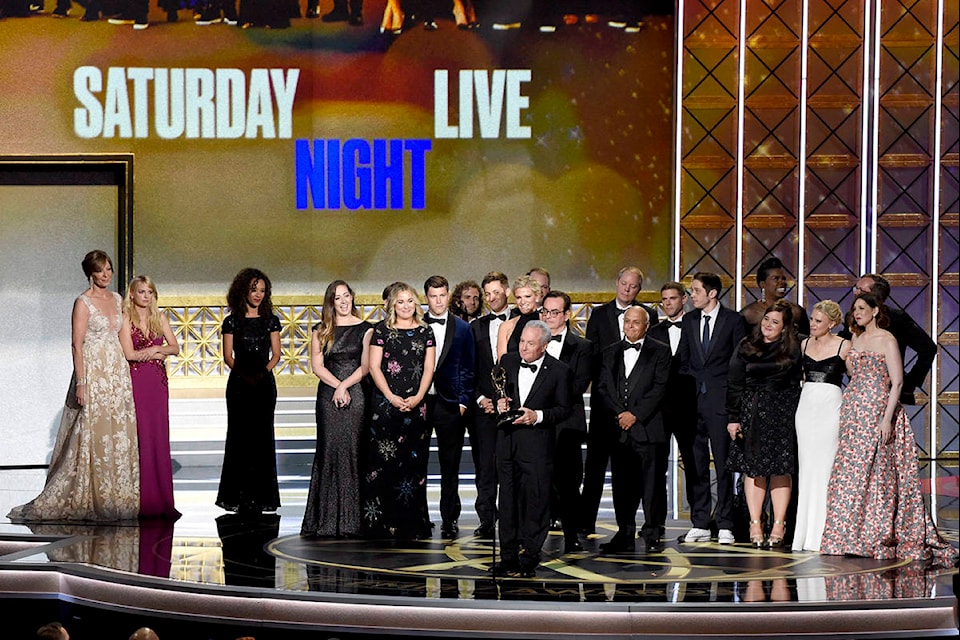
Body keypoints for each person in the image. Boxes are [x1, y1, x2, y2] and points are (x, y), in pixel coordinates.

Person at [820, 293, 957, 566]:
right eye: (854, 309)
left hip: (879, 410)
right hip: (854, 412)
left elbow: (896, 382)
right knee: (850, 474)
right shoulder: (854, 340)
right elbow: (852, 373)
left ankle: (877, 534)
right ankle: (847, 536)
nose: (856, 313)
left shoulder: (887, 339)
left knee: (878, 474)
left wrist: (886, 419)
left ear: (874, 310)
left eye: (861, 308)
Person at [8, 250, 140, 523]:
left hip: (116, 374)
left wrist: (156, 352)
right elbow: (76, 344)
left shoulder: (117, 300)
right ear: (90, 273)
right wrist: (81, 383)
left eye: (109, 269)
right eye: (101, 270)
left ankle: (117, 496)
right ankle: (90, 495)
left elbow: (127, 345)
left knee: (116, 432)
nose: (106, 275)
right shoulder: (83, 302)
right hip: (92, 372)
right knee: (92, 431)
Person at [580, 266, 659, 533]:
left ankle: (633, 526)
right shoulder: (600, 315)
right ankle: (585, 522)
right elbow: (592, 359)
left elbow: (653, 364)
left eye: (633, 286)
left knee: (632, 472)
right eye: (624, 283)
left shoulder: (650, 316)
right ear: (616, 283)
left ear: (639, 288)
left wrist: (634, 410)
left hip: (637, 411)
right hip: (605, 407)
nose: (627, 289)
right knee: (594, 468)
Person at [492, 321, 574, 577]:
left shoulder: (560, 371)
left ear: (544, 346)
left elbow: (564, 409)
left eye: (530, 343)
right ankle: (507, 557)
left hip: (538, 446)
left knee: (536, 502)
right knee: (506, 502)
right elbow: (496, 392)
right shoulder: (507, 361)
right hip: (507, 444)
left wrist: (536, 415)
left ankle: (529, 556)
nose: (524, 348)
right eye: (522, 342)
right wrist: (499, 404)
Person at [726, 300, 802, 548]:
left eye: (775, 322)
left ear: (785, 328)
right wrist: (733, 417)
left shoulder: (795, 346)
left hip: (784, 411)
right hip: (753, 410)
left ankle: (779, 524)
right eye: (766, 319)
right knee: (755, 469)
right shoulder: (747, 344)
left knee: (781, 468)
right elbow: (735, 381)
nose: (768, 325)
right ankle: (755, 522)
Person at [362, 282, 436, 539]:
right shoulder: (381, 331)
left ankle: (412, 523)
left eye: (410, 301)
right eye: (401, 302)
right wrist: (392, 398)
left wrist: (417, 397)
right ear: (392, 305)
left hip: (417, 407)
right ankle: (380, 523)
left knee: (413, 465)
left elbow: (428, 369)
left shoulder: (426, 332)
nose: (406, 306)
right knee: (383, 464)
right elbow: (374, 367)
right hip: (385, 406)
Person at [300, 280, 373, 538]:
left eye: (346, 296)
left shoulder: (366, 329)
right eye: (337, 298)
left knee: (354, 451)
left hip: (356, 393)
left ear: (352, 297)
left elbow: (366, 367)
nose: (343, 301)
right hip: (328, 395)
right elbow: (317, 366)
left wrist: (345, 386)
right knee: (329, 450)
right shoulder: (321, 330)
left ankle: (354, 521)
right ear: (330, 302)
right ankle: (326, 520)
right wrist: (337, 387)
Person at [677, 272, 746, 544]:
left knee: (724, 464)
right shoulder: (689, 320)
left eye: (695, 290)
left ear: (712, 293)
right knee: (695, 465)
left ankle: (726, 523)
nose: (691, 295)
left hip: (721, 402)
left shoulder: (733, 321)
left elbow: (738, 364)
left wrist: (734, 409)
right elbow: (684, 358)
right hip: (693, 403)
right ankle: (701, 521)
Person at [596, 306, 671, 553]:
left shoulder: (660, 351)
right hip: (619, 429)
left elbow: (660, 389)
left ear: (646, 325)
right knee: (621, 484)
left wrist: (635, 415)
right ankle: (624, 531)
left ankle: (652, 532)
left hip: (648, 428)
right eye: (627, 321)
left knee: (651, 483)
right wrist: (621, 414)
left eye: (635, 322)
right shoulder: (610, 352)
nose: (630, 326)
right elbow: (604, 387)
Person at [216, 268, 281, 515]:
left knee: (263, 438)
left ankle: (263, 497)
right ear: (243, 289)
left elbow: (276, 354)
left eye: (263, 290)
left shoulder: (271, 320)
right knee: (239, 438)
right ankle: (238, 496)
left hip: (264, 385)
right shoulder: (231, 321)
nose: (258, 295)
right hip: (239, 385)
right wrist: (244, 375)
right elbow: (227, 356)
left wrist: (261, 374)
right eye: (254, 289)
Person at [119, 275, 181, 520]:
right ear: (132, 294)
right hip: (138, 381)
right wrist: (151, 352)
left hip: (157, 382)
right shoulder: (125, 319)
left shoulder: (160, 317)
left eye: (150, 292)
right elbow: (129, 354)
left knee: (158, 435)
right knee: (141, 436)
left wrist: (158, 350)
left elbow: (175, 348)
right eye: (142, 292)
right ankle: (141, 500)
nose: (146, 296)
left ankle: (161, 499)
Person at [792, 300, 850, 551]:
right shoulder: (803, 344)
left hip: (831, 407)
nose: (812, 324)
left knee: (827, 468)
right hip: (806, 407)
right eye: (812, 320)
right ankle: (804, 535)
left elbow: (857, 378)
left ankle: (827, 533)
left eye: (818, 321)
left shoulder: (844, 345)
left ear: (832, 324)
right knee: (807, 469)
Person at [540, 290, 595, 552]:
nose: (548, 317)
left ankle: (572, 534)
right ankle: (533, 534)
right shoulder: (530, 342)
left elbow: (578, 385)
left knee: (570, 483)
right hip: (536, 423)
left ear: (566, 315)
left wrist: (544, 396)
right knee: (537, 481)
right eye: (545, 311)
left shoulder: (582, 347)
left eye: (554, 312)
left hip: (567, 425)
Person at [422, 275, 475, 538]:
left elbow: (468, 367)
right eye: (434, 296)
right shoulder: (414, 324)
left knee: (450, 464)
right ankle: (418, 515)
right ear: (426, 298)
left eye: (443, 295)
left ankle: (449, 517)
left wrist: (464, 401)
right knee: (415, 461)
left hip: (450, 403)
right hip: (419, 402)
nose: (439, 300)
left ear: (448, 295)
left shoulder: (463, 328)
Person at [646, 282, 698, 540]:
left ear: (684, 299)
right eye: (664, 299)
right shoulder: (653, 332)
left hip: (690, 406)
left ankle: (699, 522)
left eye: (672, 298)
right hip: (659, 409)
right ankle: (654, 525)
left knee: (694, 464)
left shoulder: (697, 327)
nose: (668, 303)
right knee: (656, 467)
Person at [844, 274, 937, 406]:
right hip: (857, 394)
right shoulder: (852, 318)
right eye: (856, 288)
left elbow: (928, 349)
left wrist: (909, 383)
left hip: (887, 394)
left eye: (862, 291)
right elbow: (842, 348)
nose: (856, 293)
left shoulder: (897, 318)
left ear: (877, 297)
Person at [469, 271, 512, 538]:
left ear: (507, 291)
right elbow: (468, 368)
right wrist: (481, 399)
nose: (492, 297)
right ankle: (486, 519)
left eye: (497, 292)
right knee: (485, 467)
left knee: (511, 466)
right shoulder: (475, 327)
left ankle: (511, 518)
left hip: (514, 407)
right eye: (488, 293)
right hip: (484, 409)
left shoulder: (522, 323)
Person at [740, 257, 809, 336]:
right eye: (776, 279)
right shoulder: (748, 314)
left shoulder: (797, 311)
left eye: (783, 279)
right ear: (763, 284)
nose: (782, 282)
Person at [496, 274, 542, 359]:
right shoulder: (506, 327)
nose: (522, 301)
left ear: (537, 296)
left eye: (527, 296)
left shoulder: (547, 323)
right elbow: (502, 361)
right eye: (518, 297)